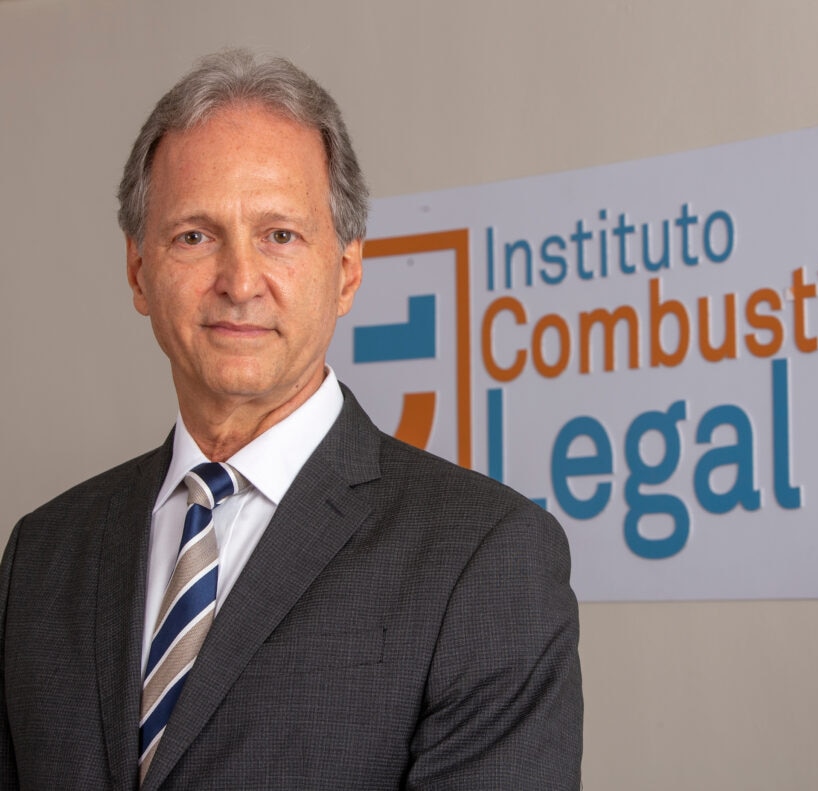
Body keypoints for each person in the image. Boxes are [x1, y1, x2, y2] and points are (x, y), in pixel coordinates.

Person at [0, 49, 582, 790]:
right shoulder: (41, 555)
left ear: (347, 272)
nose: (240, 282)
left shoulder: (484, 558)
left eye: (279, 235)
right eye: (194, 235)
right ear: (139, 271)